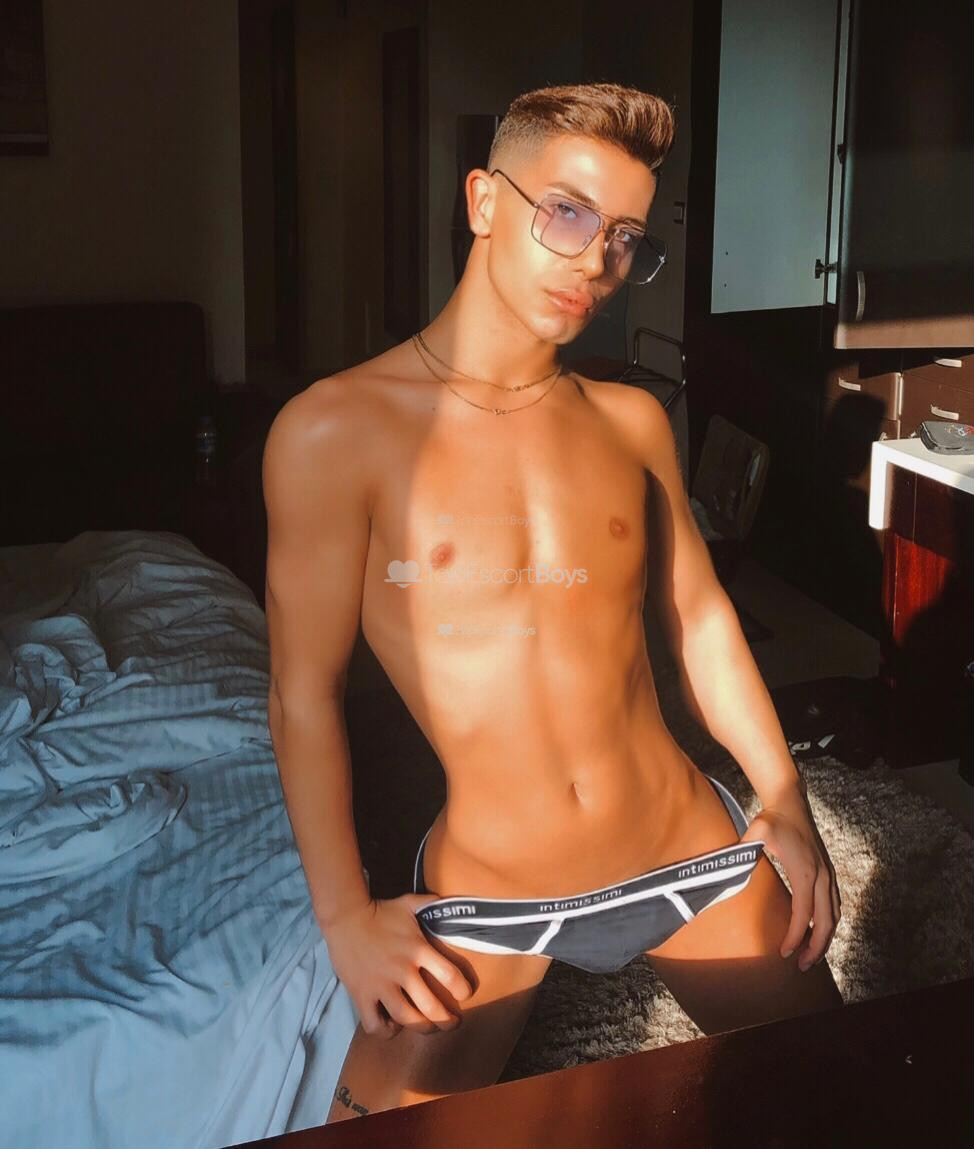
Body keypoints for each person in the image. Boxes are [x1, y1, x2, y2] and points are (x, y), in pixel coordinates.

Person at [261, 81, 843, 1123]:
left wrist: (783, 795)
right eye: (567, 213)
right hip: (491, 891)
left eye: (624, 238)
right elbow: (302, 693)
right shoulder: (332, 430)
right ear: (483, 200)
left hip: (682, 851)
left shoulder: (630, 422)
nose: (595, 262)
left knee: (844, 1095)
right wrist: (345, 915)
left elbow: (700, 617)